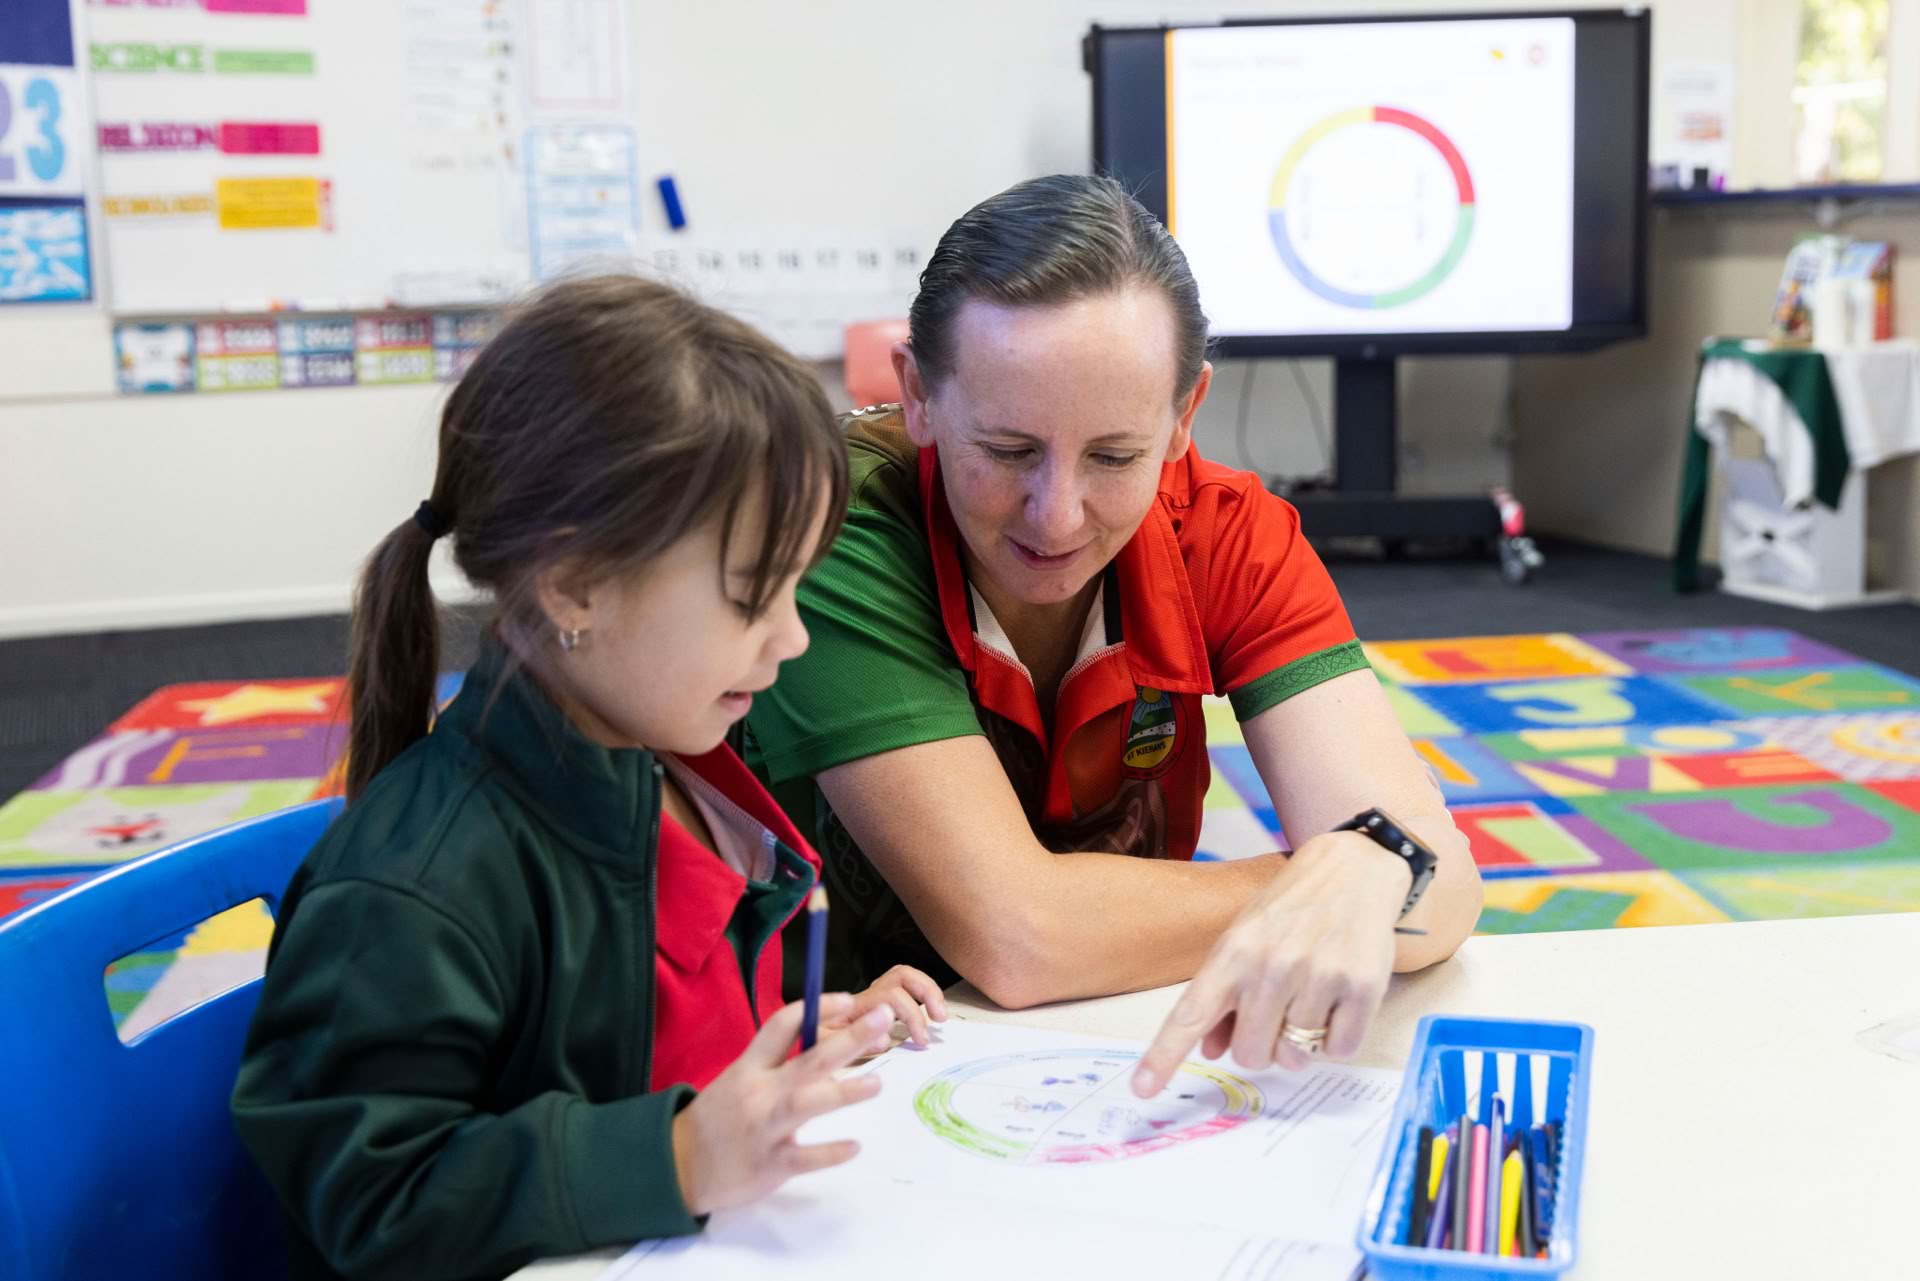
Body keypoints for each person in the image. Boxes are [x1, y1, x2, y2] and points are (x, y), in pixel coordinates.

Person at [232, 275, 945, 1281]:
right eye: (753, 595)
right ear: (573, 586)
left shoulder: (672, 769)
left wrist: (808, 1034)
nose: (793, 637)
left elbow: (666, 1036)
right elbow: (375, 1195)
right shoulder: (412, 887)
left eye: (799, 587)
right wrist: (676, 1157)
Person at [744, 174, 1482, 1101]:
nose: (1057, 515)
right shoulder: (831, 526)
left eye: (1114, 455)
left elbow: (1446, 887)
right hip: (820, 1075)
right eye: (1008, 451)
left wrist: (1382, 867)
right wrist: (1346, 872)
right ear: (919, 394)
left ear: (1184, 415)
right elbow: (1018, 935)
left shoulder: (1230, 529)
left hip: (1102, 1048)